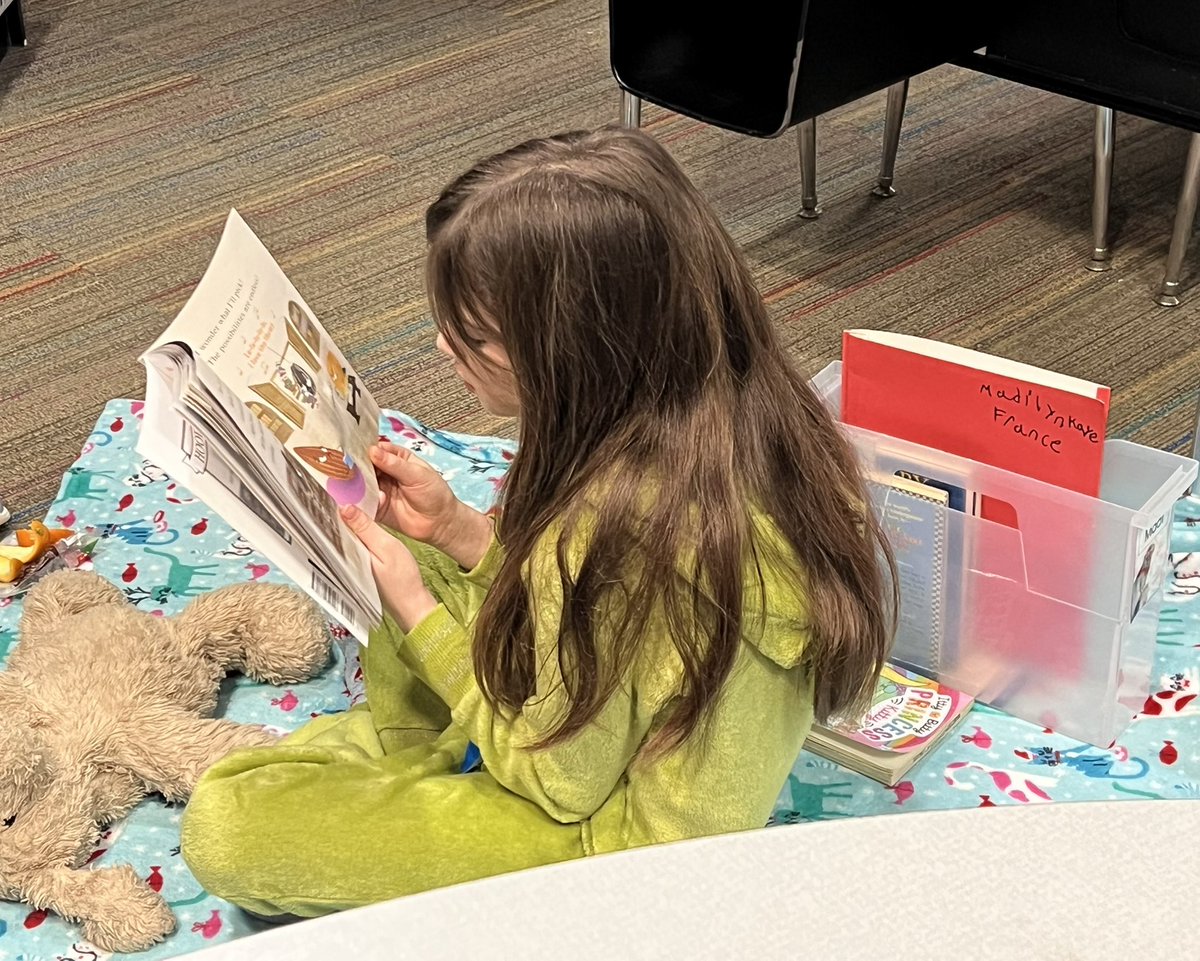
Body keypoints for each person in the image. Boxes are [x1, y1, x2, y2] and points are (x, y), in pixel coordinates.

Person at [180, 126, 894, 919]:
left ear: (579, 349)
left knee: (226, 824)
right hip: (613, 742)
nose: (445, 348)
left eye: (475, 336)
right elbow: (611, 637)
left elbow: (562, 783)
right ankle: (427, 757)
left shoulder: (603, 531)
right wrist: (460, 531)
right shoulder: (747, 424)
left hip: (613, 853)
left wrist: (421, 611)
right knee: (400, 542)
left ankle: (430, 763)